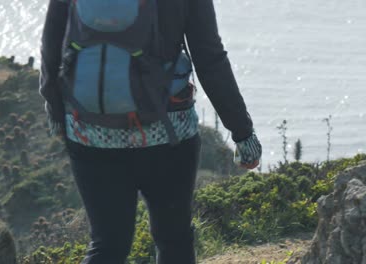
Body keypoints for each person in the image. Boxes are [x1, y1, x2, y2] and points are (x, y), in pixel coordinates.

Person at [39, 0, 262, 263]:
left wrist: (55, 111)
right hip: (167, 133)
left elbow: (51, 44)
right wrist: (242, 133)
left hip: (90, 130)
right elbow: (209, 58)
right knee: (173, 240)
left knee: (107, 244)